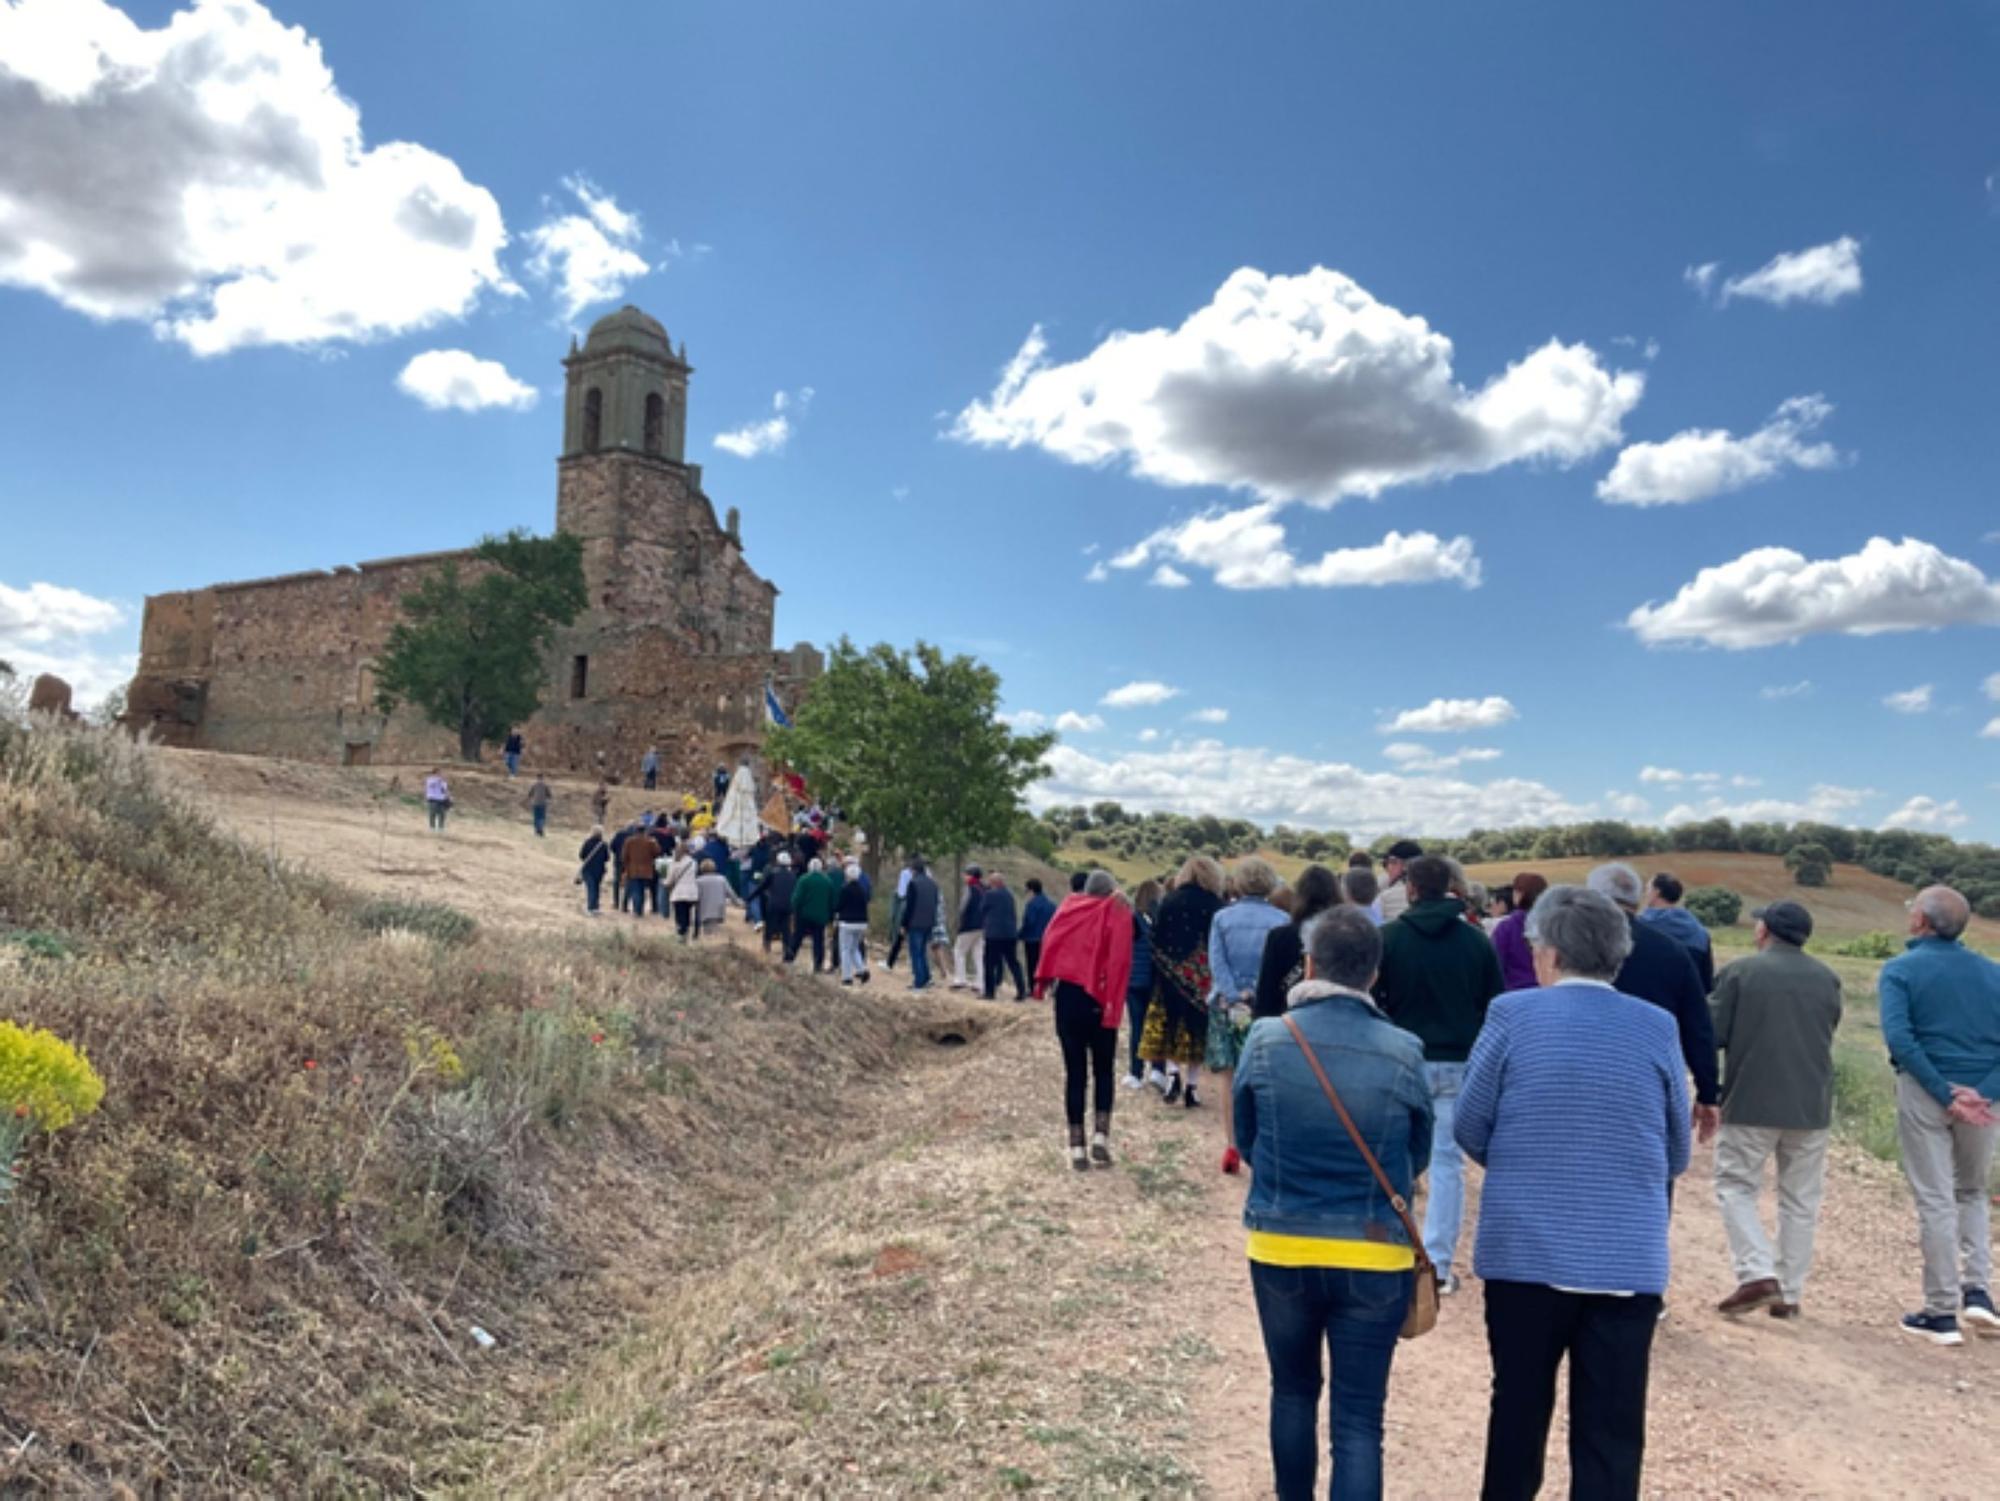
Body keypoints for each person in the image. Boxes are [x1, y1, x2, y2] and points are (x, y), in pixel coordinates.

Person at [1456, 885, 1691, 1500]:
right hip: (1625, 1262)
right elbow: (1677, 1151)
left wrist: (1525, 1163)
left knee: (1518, 1411)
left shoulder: (1512, 1015)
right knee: (1612, 1431)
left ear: (1552, 954)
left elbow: (1469, 1125)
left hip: (1524, 1254)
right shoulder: (1657, 1026)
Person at [1235, 906, 1432, 1501]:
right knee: (1359, 1420)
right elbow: (1416, 1153)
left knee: (1292, 1392)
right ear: (1374, 973)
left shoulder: (1267, 1038)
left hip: (1282, 1241)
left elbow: (1246, 1138)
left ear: (1310, 963)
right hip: (1374, 1254)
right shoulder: (1404, 1050)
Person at [1372, 854, 1504, 1295]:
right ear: (1450, 886)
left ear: (1409, 888)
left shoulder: (1389, 938)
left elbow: (1374, 1002)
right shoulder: (1476, 941)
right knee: (1447, 1162)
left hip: (1400, 1057)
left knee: (1394, 1155)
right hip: (1459, 1060)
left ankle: (1389, 1250)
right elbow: (1494, 1007)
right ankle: (1439, 1265)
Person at [1709, 900, 1843, 1320]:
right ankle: (1788, 1290)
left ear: (1766, 930)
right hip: (1811, 1103)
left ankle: (1756, 1272)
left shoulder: (1741, 972)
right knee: (1800, 1200)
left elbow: (1711, 1033)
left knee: (1736, 1186)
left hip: (1751, 1099)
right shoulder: (1828, 978)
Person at [1880, 885, 2000, 1345]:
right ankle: (1979, 1292)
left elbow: (1900, 1039)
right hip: (1983, 1103)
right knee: (1971, 1191)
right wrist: (1982, 1094)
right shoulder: (1992, 973)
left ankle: (1940, 1311)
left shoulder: (1901, 970)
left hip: (1927, 1092)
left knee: (1935, 1197)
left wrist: (1943, 1092)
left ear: (1920, 922)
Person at [1589, 863, 1722, 1147]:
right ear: (1636, 899)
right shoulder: (1676, 949)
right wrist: (1707, 1091)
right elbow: (1698, 1024)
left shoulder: (1572, 947)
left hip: (1583, 1072)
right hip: (1651, 1077)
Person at [1035, 870, 1133, 1171]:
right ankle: (1101, 1136)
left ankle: (1076, 1146)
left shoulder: (1068, 910)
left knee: (1074, 1072)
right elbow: (1122, 957)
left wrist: (1045, 981)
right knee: (1103, 1069)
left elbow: (1049, 943)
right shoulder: (1116, 915)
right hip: (1100, 999)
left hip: (1068, 998)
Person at [1209, 858, 1291, 1174]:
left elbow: (1217, 963)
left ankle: (1232, 1145)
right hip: (1266, 1007)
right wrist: (1255, 993)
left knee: (1229, 1079)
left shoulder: (1221, 918)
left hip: (1226, 1006)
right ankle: (1264, 1146)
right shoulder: (1281, 919)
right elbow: (1278, 967)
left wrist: (1233, 995)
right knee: (1268, 1077)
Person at [1139, 856, 1226, 1107]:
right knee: (1198, 1030)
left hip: (1169, 975)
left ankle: (1173, 1074)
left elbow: (1155, 939)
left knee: (1169, 1027)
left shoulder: (1170, 900)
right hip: (1203, 978)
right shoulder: (1215, 904)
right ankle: (1192, 1087)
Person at [1254, 864, 1342, 1020]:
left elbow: (1266, 994)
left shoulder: (1279, 936)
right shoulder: (1346, 936)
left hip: (1287, 1024)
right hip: (1334, 1021)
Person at [1639, 872, 1715, 992]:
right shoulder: (1700, 932)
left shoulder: (1641, 926)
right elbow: (1706, 981)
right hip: (1685, 1000)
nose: (1645, 893)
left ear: (1656, 892)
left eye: (1647, 889)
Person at [1123, 878, 1162, 1087]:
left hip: (1134, 980)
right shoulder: (1161, 921)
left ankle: (1135, 1072)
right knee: (1156, 1026)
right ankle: (1158, 1069)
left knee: (1137, 1027)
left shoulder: (1132, 919)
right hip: (1155, 981)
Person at [1490, 873, 1547, 992]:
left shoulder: (1506, 927)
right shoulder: (1554, 925)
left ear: (1519, 894)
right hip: (1548, 989)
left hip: (1515, 991)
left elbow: (1496, 964)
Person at [981, 871, 1027, 1000]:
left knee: (989, 963)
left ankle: (990, 992)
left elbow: (982, 909)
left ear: (994, 883)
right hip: (1010, 934)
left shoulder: (990, 895)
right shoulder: (1009, 895)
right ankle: (1021, 991)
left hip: (994, 934)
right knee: (1013, 963)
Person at [789, 857, 835, 973]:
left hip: (804, 916)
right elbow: (831, 901)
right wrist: (830, 916)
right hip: (820, 917)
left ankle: (789, 959)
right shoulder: (827, 881)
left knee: (797, 938)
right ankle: (818, 965)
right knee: (818, 941)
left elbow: (796, 899)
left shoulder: (804, 879)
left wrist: (794, 911)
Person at [902, 858, 941, 991]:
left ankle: (919, 982)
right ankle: (926, 977)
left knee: (916, 952)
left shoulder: (913, 884)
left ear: (914, 870)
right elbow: (936, 903)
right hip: (929, 922)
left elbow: (909, 907)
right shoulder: (933, 884)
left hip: (915, 922)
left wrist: (904, 924)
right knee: (923, 951)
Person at [835, 860, 872, 983]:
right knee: (854, 948)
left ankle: (847, 977)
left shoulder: (845, 889)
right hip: (861, 923)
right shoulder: (862, 890)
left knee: (845, 949)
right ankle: (862, 970)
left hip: (847, 922)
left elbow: (839, 905)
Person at [951, 867, 988, 991]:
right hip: (982, 926)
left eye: (966, 874)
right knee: (978, 954)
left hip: (969, 925)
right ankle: (980, 982)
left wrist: (958, 921)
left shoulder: (970, 888)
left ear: (972, 876)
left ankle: (960, 979)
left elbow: (963, 906)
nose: (964, 876)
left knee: (959, 951)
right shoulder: (985, 888)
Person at [758, 851, 797, 956]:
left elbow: (764, 887)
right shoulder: (793, 876)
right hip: (787, 905)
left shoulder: (772, 873)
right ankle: (786, 948)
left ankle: (767, 946)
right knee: (786, 928)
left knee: (770, 926)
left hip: (774, 904)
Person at [660, 840, 699, 940]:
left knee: (679, 916)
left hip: (679, 893)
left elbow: (670, 880)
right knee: (687, 914)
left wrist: (664, 883)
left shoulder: (675, 863)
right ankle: (687, 933)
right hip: (692, 893)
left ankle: (681, 935)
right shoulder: (693, 863)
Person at [1020, 877, 1058, 983]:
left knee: (1032, 964)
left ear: (1031, 890)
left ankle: (1033, 987)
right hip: (1048, 939)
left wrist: (1020, 934)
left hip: (1032, 938)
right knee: (1046, 964)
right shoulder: (1052, 905)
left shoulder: (1031, 904)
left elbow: (1029, 922)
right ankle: (1048, 986)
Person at [695, 857, 741, 941]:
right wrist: (738, 903)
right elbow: (731, 893)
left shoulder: (698, 881)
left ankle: (710, 946)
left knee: (708, 932)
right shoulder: (722, 879)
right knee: (715, 930)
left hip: (705, 908)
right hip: (719, 908)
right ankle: (715, 944)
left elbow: (696, 896)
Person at [620, 821, 660, 917]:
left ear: (635, 831)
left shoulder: (629, 841)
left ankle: (637, 910)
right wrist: (655, 843)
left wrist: (626, 867)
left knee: (636, 890)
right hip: (646, 870)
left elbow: (624, 856)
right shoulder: (650, 841)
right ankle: (639, 910)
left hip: (633, 869)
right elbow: (657, 853)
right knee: (642, 891)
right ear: (645, 831)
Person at [1377, 840, 1421, 923]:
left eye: (1391, 862)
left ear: (1405, 866)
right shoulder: (1441, 894)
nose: (1388, 868)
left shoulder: (1385, 897)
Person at [886, 857, 915, 970]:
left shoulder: (905, 873)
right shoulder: (927, 873)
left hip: (905, 904)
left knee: (900, 933)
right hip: (922, 909)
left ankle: (891, 962)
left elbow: (901, 892)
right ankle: (911, 961)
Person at [577, 824, 609, 915]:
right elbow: (607, 858)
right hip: (599, 869)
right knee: (597, 888)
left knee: (591, 888)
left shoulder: (587, 842)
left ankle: (590, 907)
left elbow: (581, 855)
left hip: (588, 869)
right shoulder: (603, 844)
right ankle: (595, 907)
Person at [424, 768, 450, 833]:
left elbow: (444, 790)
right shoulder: (430, 780)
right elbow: (431, 785)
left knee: (442, 814)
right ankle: (432, 828)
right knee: (432, 813)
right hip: (433, 798)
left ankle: (441, 828)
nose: (440, 774)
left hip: (441, 799)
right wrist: (438, 779)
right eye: (439, 773)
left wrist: (448, 797)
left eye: (441, 773)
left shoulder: (443, 782)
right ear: (434, 773)